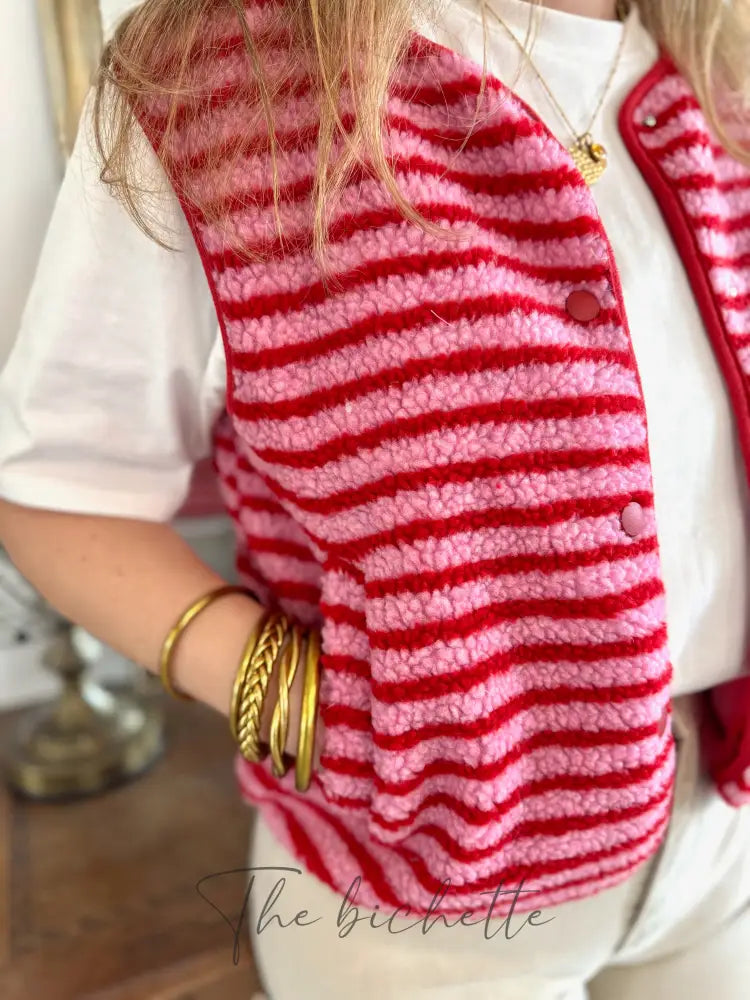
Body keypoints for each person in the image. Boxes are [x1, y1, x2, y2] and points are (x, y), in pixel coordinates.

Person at [2, 0, 750, 996]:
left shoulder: (721, 66)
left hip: (722, 841)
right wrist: (311, 709)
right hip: (412, 898)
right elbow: (60, 493)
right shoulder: (225, 85)